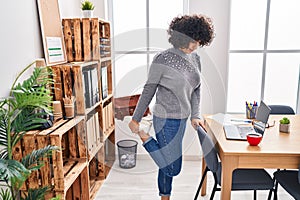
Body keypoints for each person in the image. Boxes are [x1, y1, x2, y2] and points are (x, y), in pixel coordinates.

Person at [128, 14, 215, 200]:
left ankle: (164, 197)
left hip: (182, 120)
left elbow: (196, 89)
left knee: (166, 163)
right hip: (165, 119)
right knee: (172, 167)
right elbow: (149, 89)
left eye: (199, 42)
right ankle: (143, 135)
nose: (196, 45)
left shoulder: (196, 59)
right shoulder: (163, 59)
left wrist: (195, 115)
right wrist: (136, 119)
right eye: (193, 41)